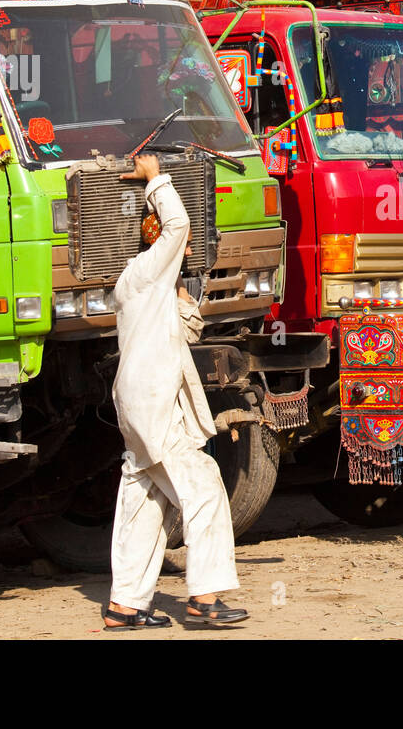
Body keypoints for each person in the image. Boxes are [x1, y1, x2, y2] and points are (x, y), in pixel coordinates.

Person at [103, 153, 248, 630]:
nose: (188, 251)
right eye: (180, 247)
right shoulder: (145, 273)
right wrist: (155, 178)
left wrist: (186, 293)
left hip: (145, 400)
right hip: (153, 401)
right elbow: (179, 223)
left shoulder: (153, 288)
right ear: (156, 237)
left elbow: (185, 333)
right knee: (203, 486)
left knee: (144, 498)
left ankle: (126, 605)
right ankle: (204, 598)